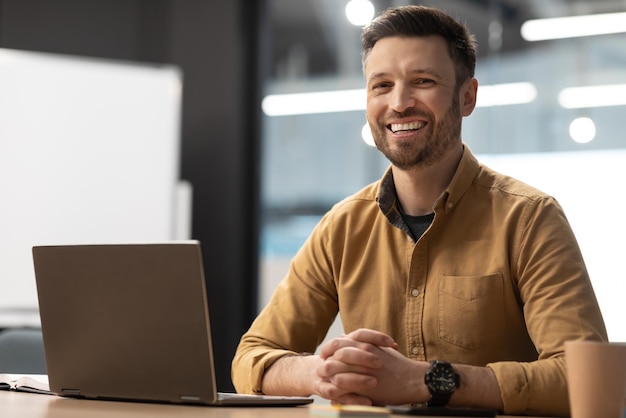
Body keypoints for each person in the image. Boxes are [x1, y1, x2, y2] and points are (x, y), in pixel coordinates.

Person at [232, 5, 607, 416]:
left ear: (467, 97)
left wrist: (429, 380)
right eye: (381, 85)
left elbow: (583, 378)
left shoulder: (530, 219)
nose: (399, 103)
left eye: (422, 82)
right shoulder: (341, 227)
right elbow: (251, 357)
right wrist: (322, 372)